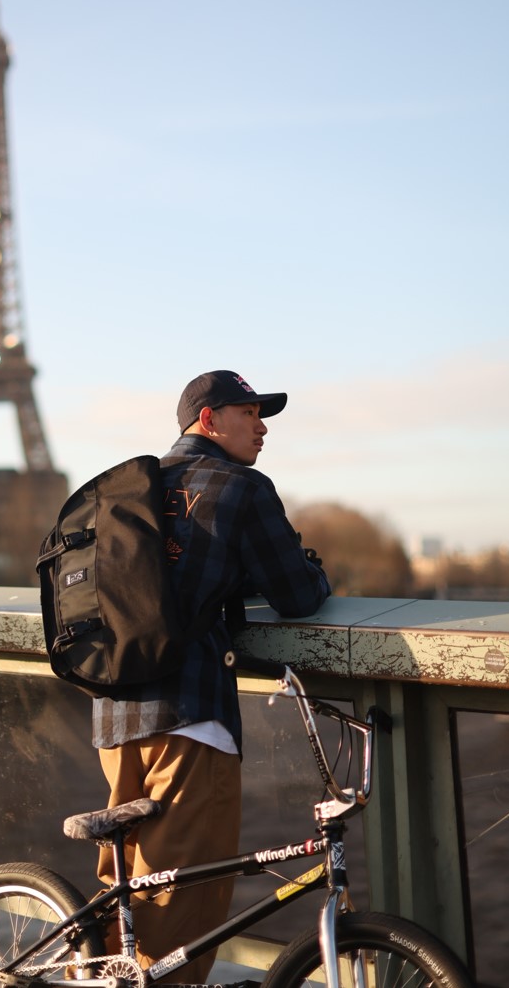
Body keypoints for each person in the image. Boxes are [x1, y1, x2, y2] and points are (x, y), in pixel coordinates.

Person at [92, 369, 331, 983]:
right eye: (248, 413)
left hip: (114, 713)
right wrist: (313, 568)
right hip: (192, 716)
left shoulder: (133, 488)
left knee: (126, 890)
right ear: (209, 420)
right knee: (182, 908)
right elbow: (298, 595)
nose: (262, 426)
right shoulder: (240, 488)